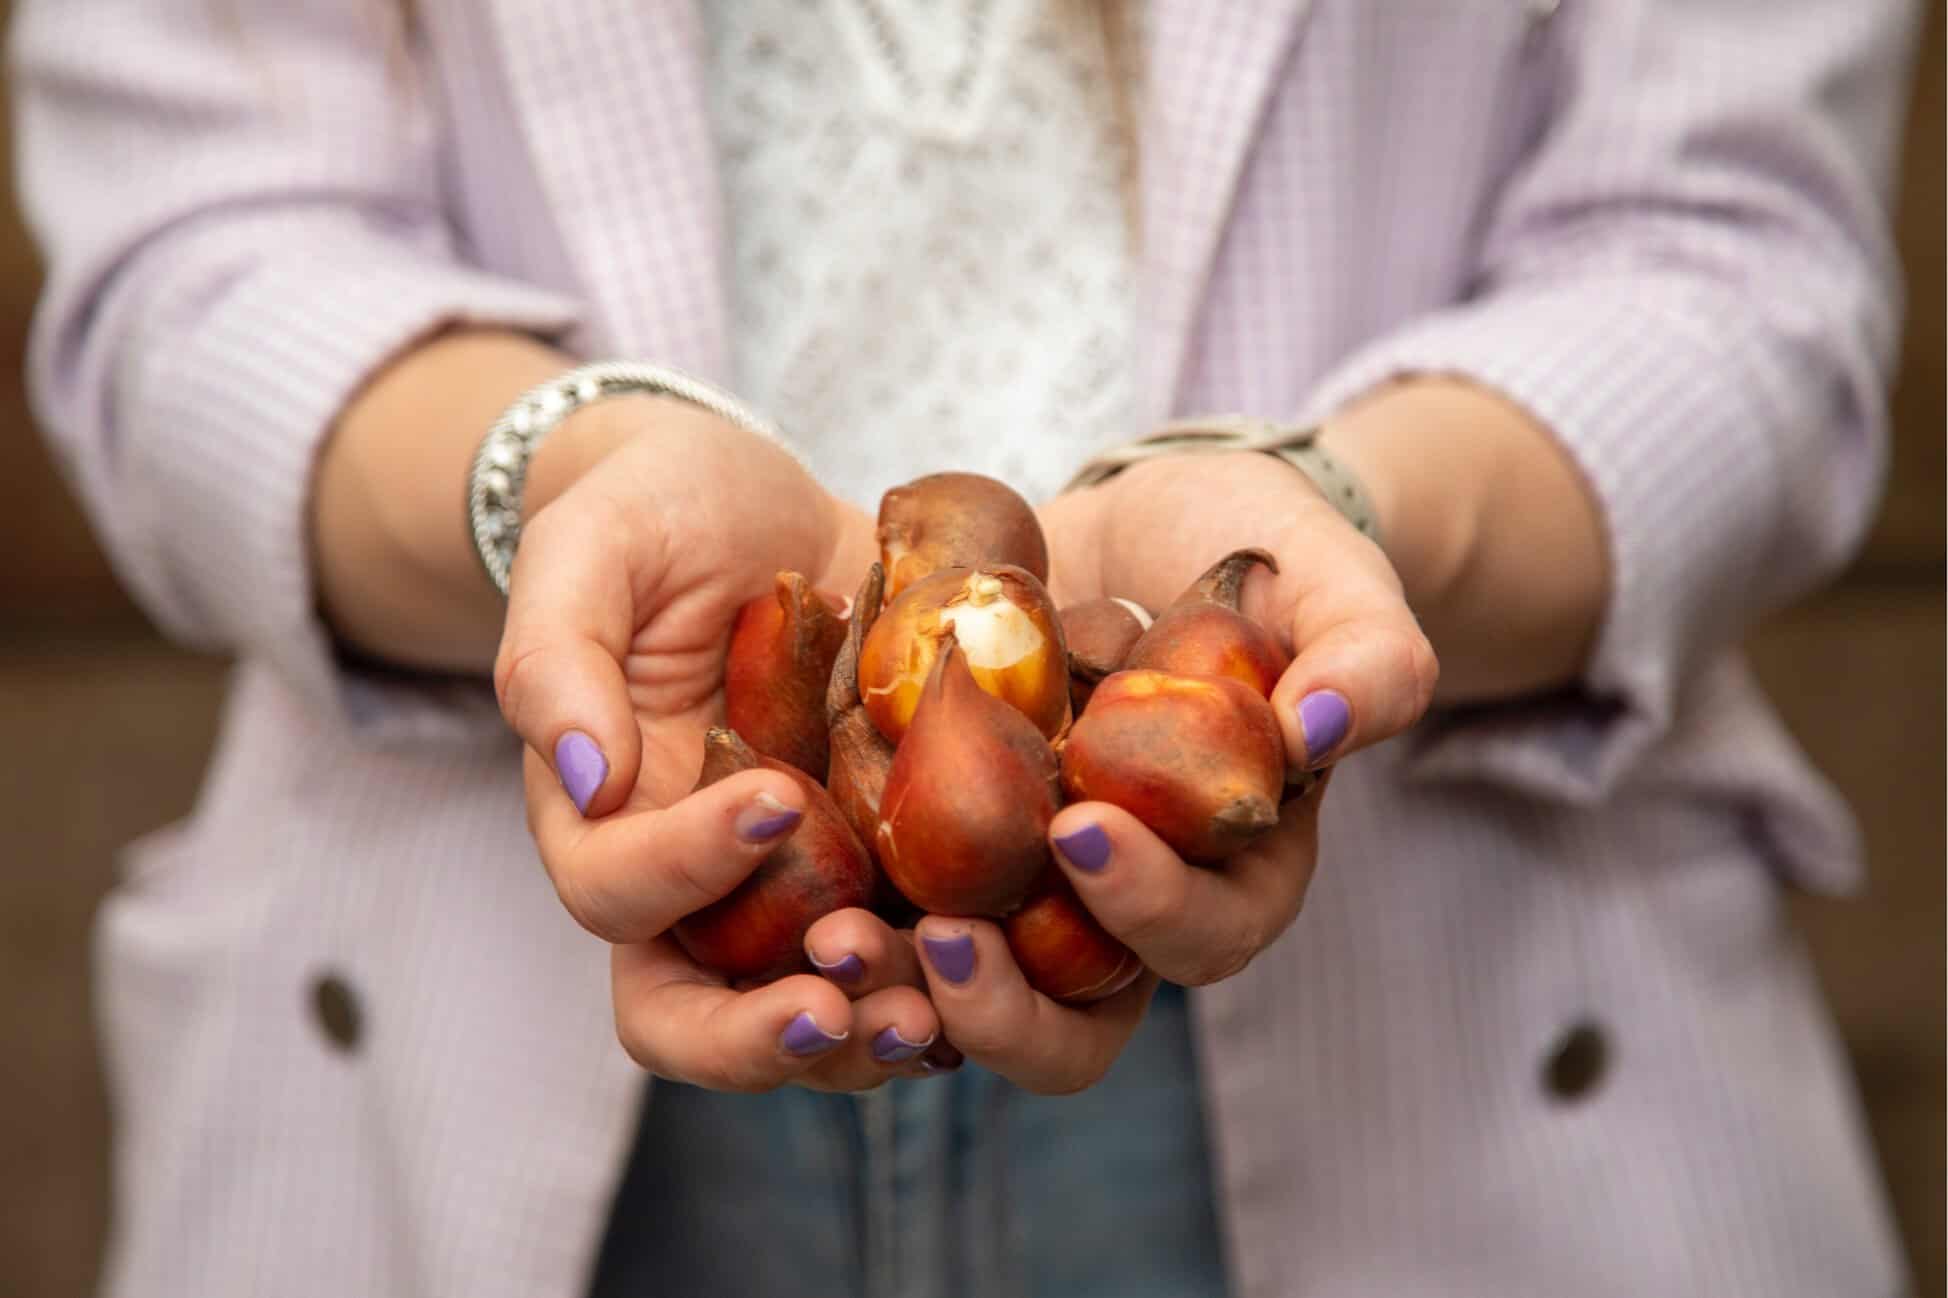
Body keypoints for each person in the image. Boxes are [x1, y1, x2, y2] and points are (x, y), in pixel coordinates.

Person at [14, 1, 1920, 1294]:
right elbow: (196, 266)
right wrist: (555, 480)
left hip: (1463, 1059)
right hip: (453, 1068)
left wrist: (1332, 516)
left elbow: (1734, 266)